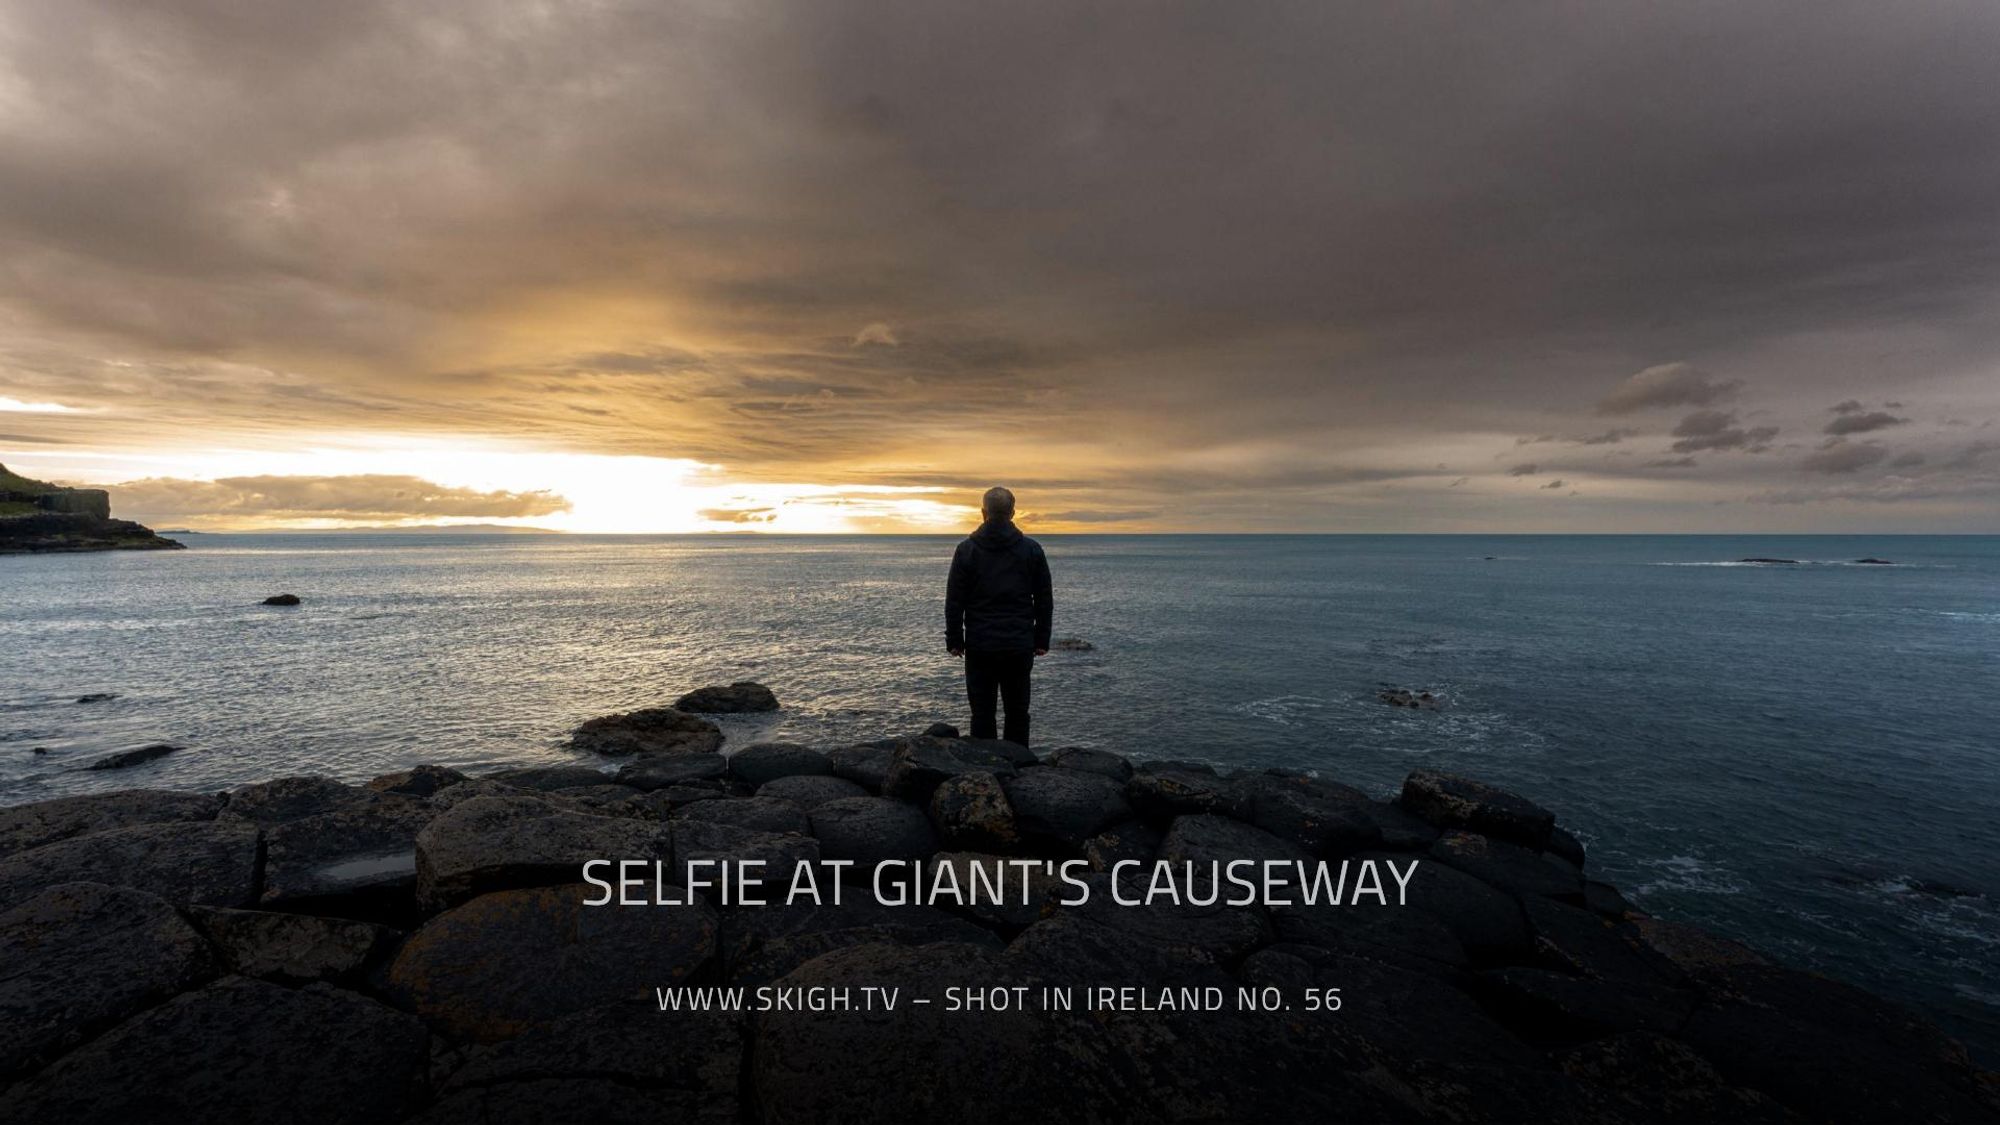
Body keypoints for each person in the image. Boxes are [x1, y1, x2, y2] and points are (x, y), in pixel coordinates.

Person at [944, 486, 1053, 748]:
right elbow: (1044, 599)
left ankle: (986, 771)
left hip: (981, 645)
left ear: (983, 513)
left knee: (982, 714)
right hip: (1018, 644)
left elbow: (954, 600)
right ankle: (1018, 770)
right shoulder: (1032, 550)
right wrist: (1042, 639)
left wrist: (955, 640)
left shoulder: (966, 550)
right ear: (1013, 513)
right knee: (1017, 712)